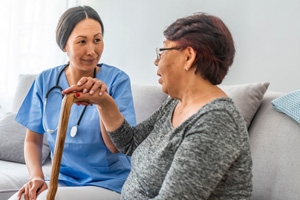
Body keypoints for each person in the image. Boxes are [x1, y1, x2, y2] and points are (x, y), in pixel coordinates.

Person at [63, 13, 253, 199]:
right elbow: (131, 143)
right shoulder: (175, 103)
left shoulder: (216, 122)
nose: (156, 61)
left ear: (188, 57)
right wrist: (103, 101)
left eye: (162, 52)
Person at [9, 5, 136, 200]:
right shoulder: (45, 81)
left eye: (97, 40)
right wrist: (36, 177)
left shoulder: (117, 81)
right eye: (82, 42)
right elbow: (33, 140)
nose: (92, 51)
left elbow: (115, 147)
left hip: (109, 182)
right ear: (64, 45)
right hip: (62, 179)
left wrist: (102, 101)